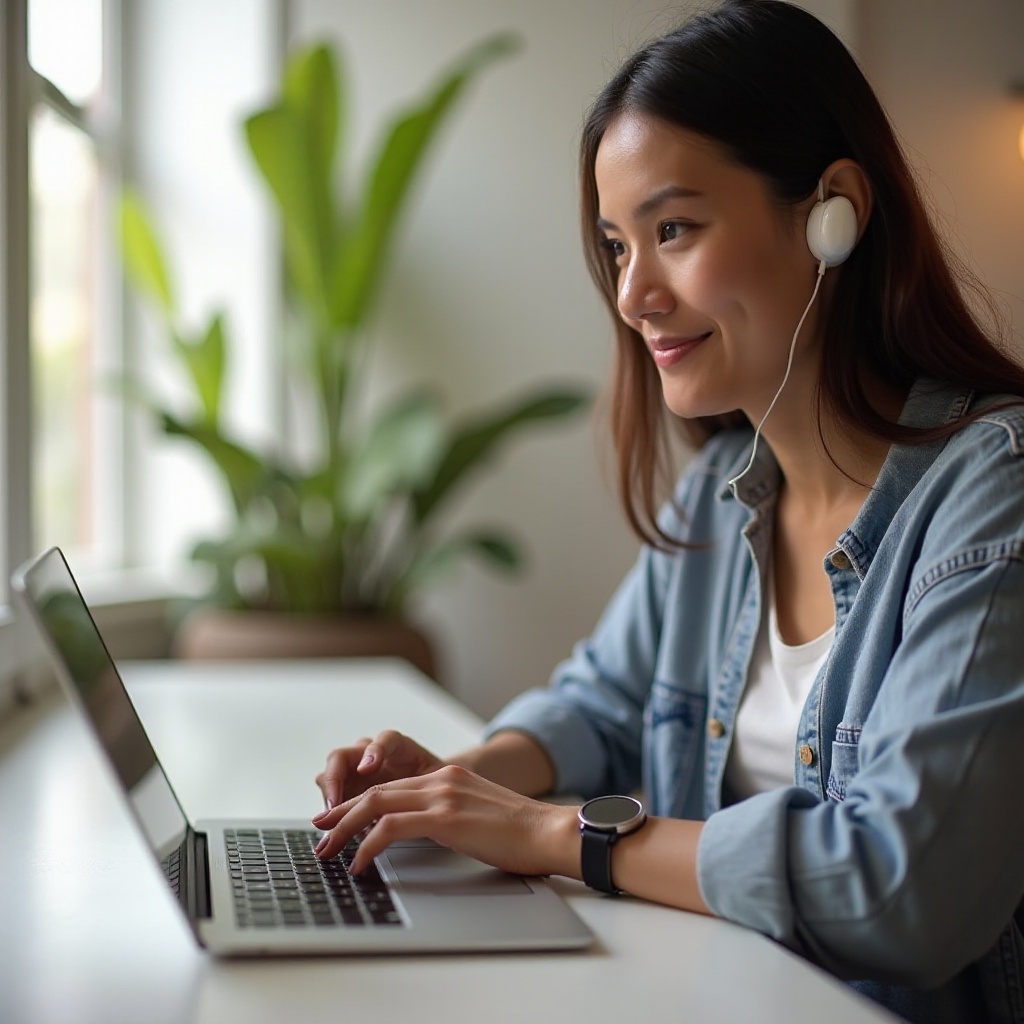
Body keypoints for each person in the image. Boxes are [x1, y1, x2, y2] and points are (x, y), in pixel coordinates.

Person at [311, 2, 1024, 1021]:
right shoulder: (720, 492)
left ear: (834, 212)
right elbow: (602, 703)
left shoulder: (994, 495)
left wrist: (555, 834)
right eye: (616, 245)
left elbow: (899, 884)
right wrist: (454, 785)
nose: (632, 292)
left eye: (674, 230)